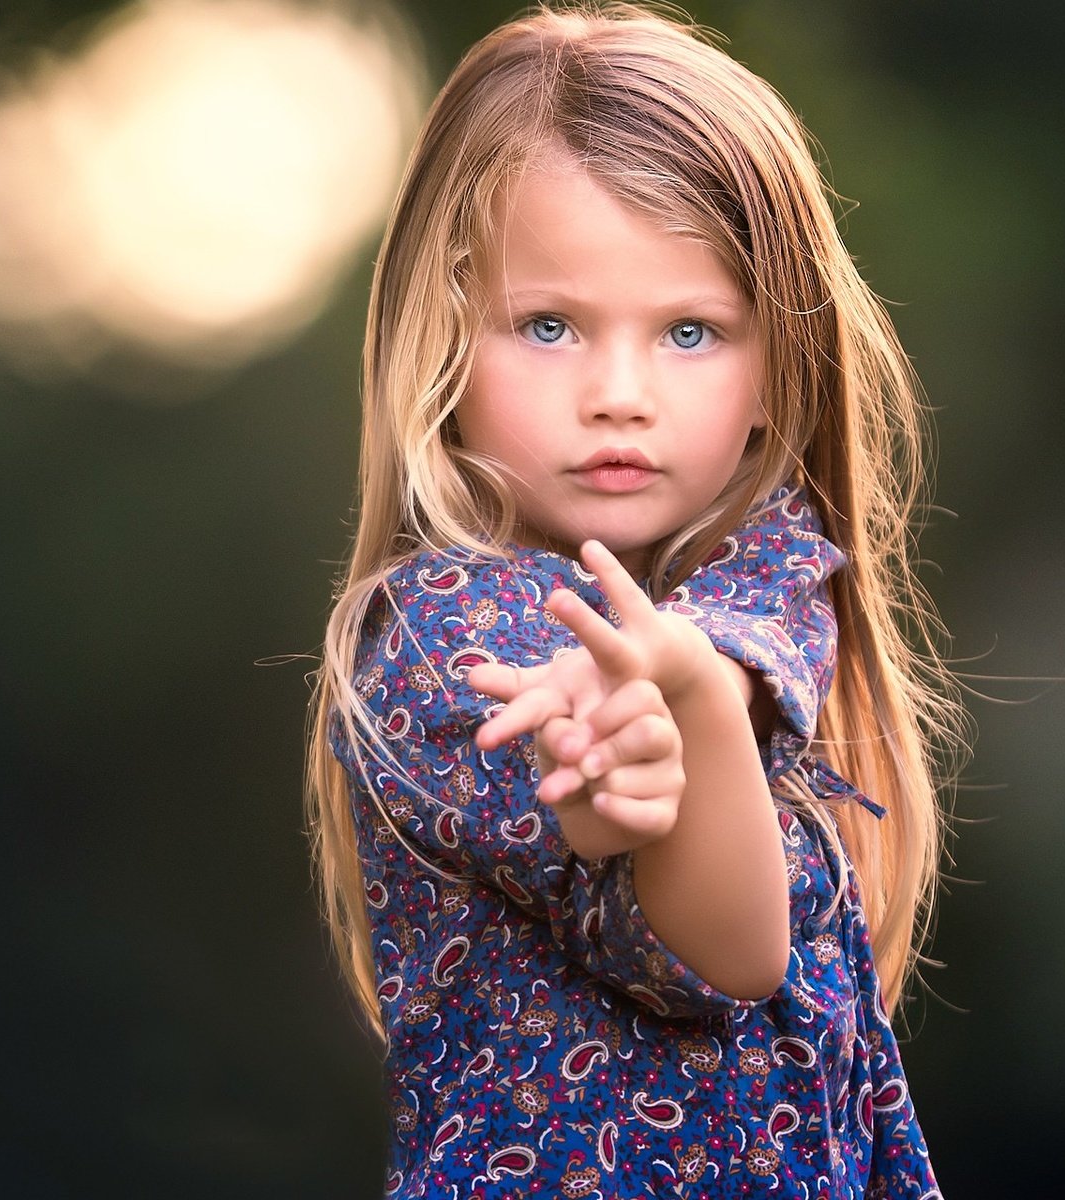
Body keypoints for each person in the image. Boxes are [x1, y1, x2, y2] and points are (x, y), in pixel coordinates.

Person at [303, 4, 965, 1196]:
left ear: (781, 366)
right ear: (441, 342)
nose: (619, 393)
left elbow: (731, 642)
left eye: (693, 332)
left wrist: (693, 695)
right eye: (549, 326)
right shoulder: (446, 643)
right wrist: (646, 759)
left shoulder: (771, 574)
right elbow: (730, 949)